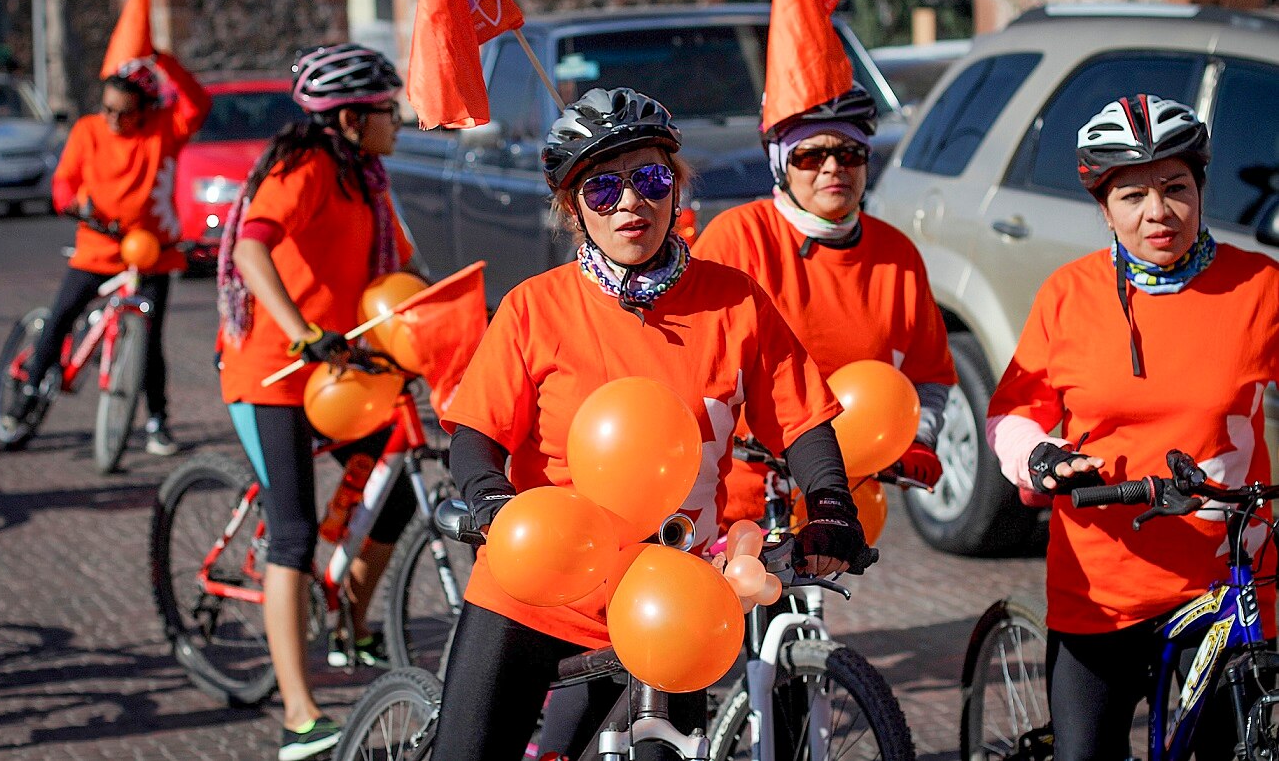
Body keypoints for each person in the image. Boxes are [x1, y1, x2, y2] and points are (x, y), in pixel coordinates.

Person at [429, 87, 871, 761]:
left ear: (676, 187)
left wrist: (832, 505)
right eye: (601, 188)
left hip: (670, 599)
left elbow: (801, 419)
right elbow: (475, 437)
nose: (630, 202)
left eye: (651, 178)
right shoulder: (532, 309)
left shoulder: (736, 301)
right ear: (573, 208)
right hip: (534, 595)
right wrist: (490, 499)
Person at [986, 95, 1279, 760]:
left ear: (1199, 188)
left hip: (1228, 579)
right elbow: (1013, 411)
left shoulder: (1259, 287)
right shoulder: (1067, 293)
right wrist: (1038, 458)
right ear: (1103, 207)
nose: (1157, 213)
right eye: (1132, 196)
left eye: (1175, 188)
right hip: (1102, 581)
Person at [215, 43, 421, 761]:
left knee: (398, 482)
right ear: (352, 117)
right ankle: (297, 717)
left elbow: (405, 267)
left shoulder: (367, 177)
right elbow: (250, 249)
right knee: (294, 533)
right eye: (388, 109)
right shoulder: (300, 167)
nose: (398, 119)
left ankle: (351, 625)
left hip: (342, 368)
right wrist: (300, 331)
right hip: (274, 371)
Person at [693, 84, 957, 527]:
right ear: (781, 165)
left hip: (840, 497)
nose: (834, 168)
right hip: (737, 497)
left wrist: (919, 437)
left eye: (850, 153)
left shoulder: (898, 253)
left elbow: (929, 374)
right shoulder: (735, 237)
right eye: (810, 156)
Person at [7, 53, 211, 455]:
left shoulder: (163, 131)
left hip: (150, 255)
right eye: (108, 109)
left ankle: (157, 421)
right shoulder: (88, 131)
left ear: (146, 110)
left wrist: (162, 59)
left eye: (125, 112)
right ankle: (29, 392)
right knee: (63, 315)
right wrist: (71, 203)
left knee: (150, 339)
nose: (114, 119)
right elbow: (64, 180)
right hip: (97, 250)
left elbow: (198, 103)